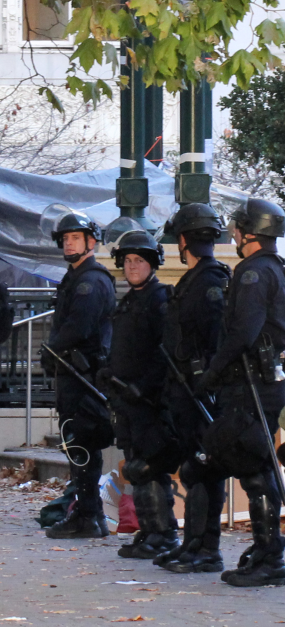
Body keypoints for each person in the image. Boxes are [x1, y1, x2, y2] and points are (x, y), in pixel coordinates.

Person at [194, 198, 285, 588]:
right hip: (259, 382)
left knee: (254, 469)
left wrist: (214, 372)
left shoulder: (254, 272)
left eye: (238, 226)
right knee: (253, 464)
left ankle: (270, 558)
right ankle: (266, 552)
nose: (233, 232)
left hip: (251, 384)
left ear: (250, 231)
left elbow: (244, 332)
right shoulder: (274, 267)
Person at [154, 203, 231, 574]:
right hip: (188, 389)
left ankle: (205, 547)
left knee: (203, 468)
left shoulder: (210, 281)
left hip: (200, 391)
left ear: (183, 240)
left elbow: (215, 340)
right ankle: (193, 543)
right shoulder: (197, 279)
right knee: (195, 467)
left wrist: (205, 380)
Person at [101, 229, 180, 559]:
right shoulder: (129, 300)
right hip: (126, 400)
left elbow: (166, 353)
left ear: (153, 263)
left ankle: (163, 533)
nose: (133, 266)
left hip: (150, 401)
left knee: (150, 466)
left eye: (139, 260)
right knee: (135, 466)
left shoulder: (160, 299)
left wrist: (145, 388)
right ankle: (149, 529)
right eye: (128, 261)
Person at [42, 211, 116, 538]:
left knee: (82, 443)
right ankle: (88, 513)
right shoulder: (76, 276)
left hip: (84, 374)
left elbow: (78, 327)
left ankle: (88, 515)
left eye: (75, 237)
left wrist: (51, 349)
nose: (69, 243)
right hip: (72, 372)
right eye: (66, 238)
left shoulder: (90, 280)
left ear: (91, 241)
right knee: (77, 444)